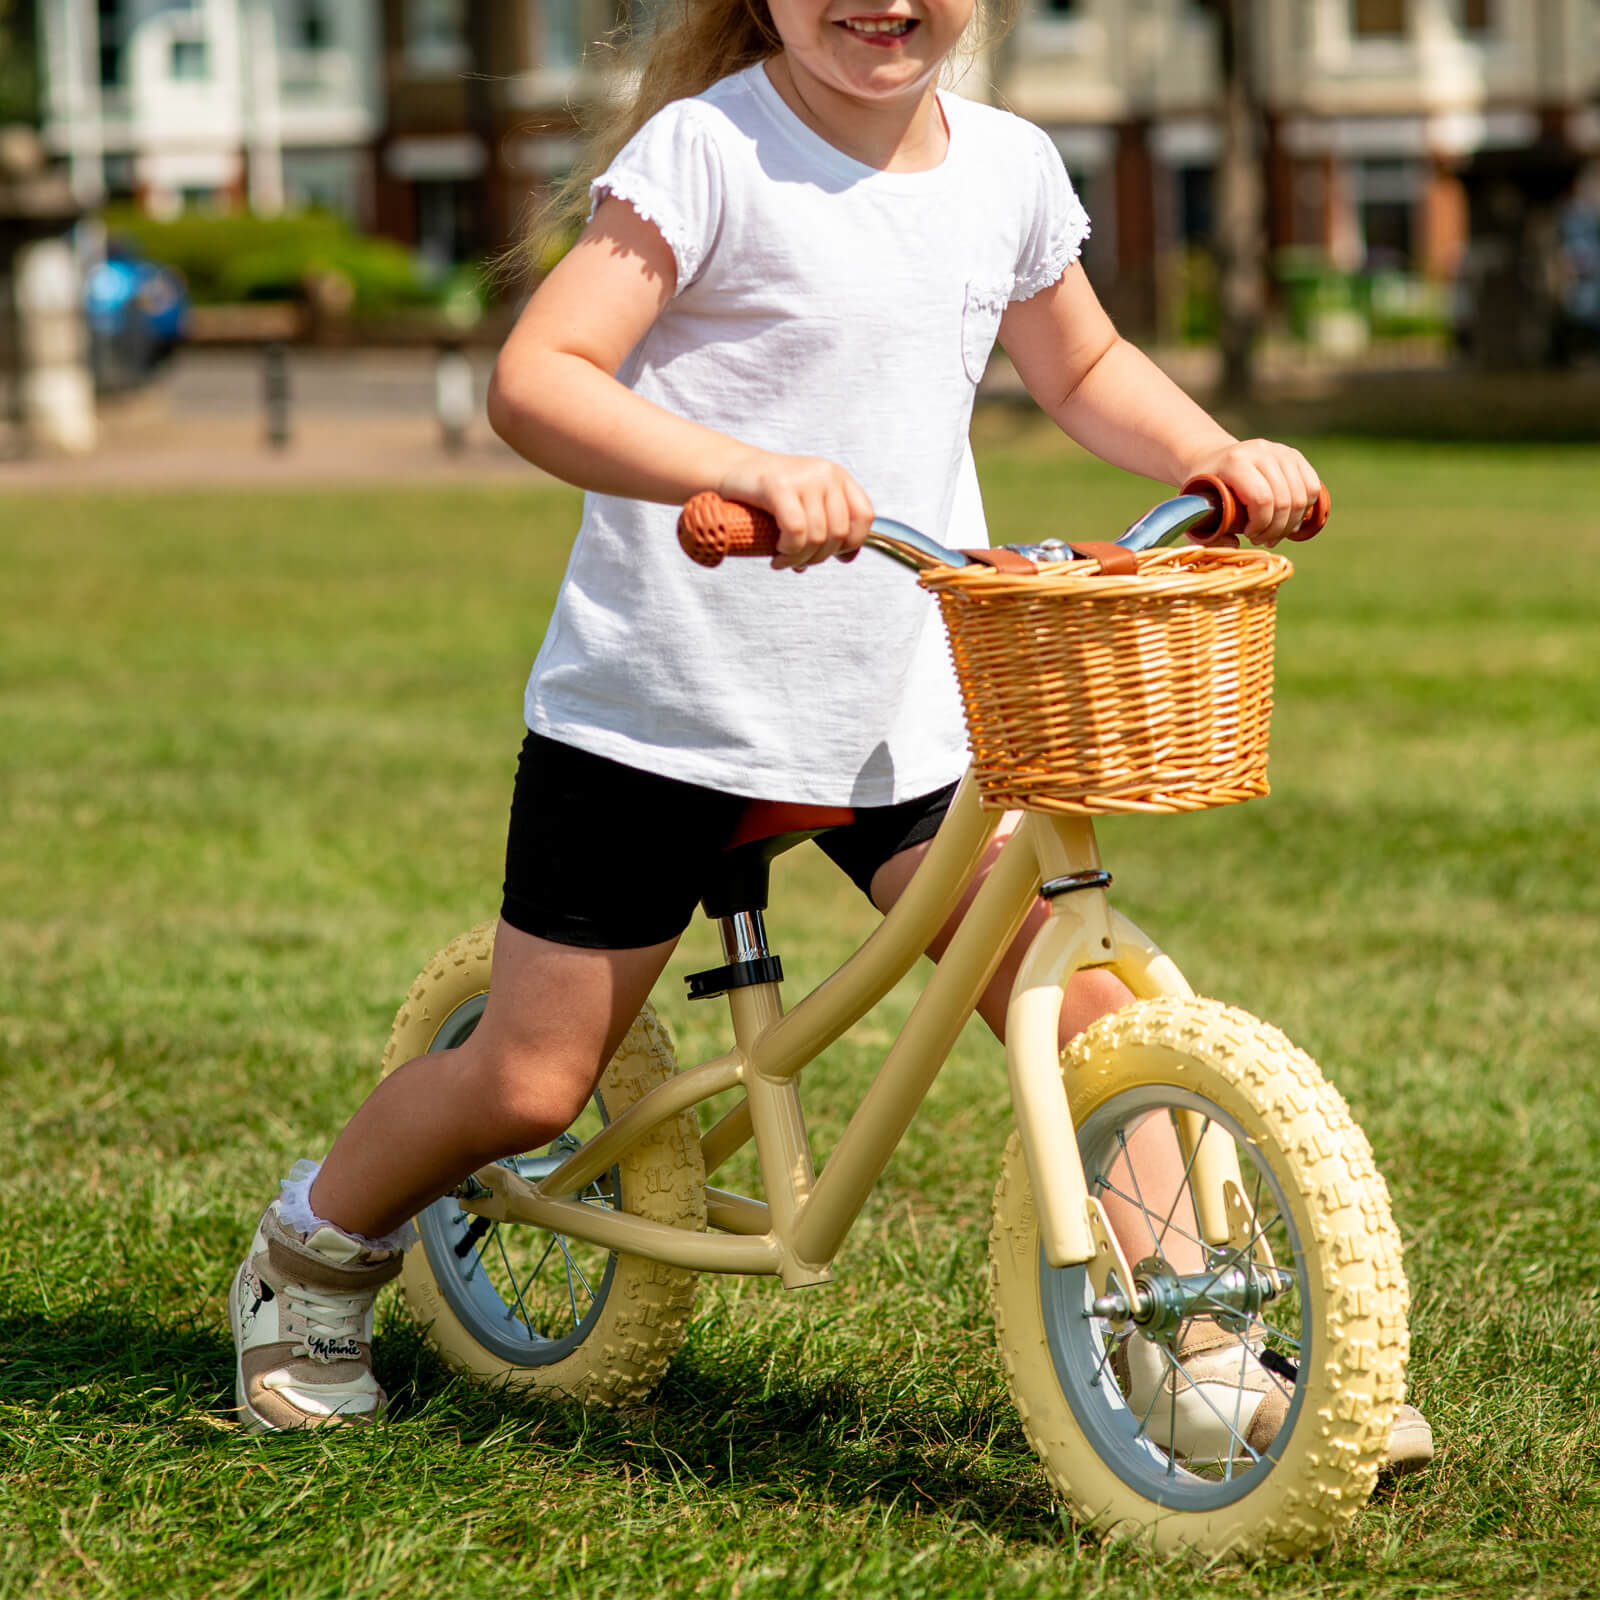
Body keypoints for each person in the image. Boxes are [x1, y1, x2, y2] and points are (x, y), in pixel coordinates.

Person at [229, 0, 1432, 1471]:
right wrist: (742, 467)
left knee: (1084, 1013)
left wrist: (1212, 452)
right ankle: (312, 1255)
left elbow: (1081, 366)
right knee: (529, 1083)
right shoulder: (709, 153)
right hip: (663, 711)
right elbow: (540, 379)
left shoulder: (1006, 167)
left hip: (902, 715)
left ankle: (1198, 1352)